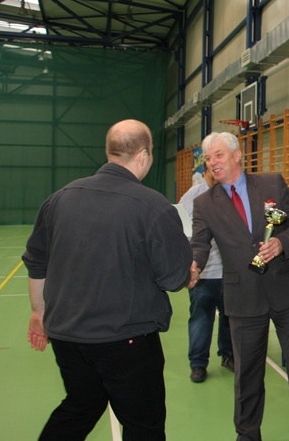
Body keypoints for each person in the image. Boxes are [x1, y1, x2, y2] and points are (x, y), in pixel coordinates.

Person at [23, 119, 195, 440]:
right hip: (125, 340)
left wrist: (38, 313)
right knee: (143, 423)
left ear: (110, 152)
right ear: (143, 156)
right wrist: (189, 270)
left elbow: (36, 263)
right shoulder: (152, 206)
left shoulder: (59, 198)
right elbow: (173, 278)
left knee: (81, 405)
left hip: (67, 336)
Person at [189, 132, 289, 441]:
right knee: (247, 376)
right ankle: (247, 436)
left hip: (286, 292)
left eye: (218, 155)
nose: (213, 163)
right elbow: (199, 245)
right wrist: (193, 265)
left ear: (237, 155)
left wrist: (281, 242)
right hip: (243, 298)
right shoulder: (204, 203)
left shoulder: (272, 183)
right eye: (209, 158)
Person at [179, 164, 235, 382]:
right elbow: (181, 229)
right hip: (203, 272)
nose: (216, 174)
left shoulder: (231, 193)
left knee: (229, 317)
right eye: (211, 171)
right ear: (205, 174)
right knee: (201, 318)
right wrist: (189, 265)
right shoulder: (193, 196)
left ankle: (228, 355)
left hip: (229, 272)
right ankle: (198, 363)